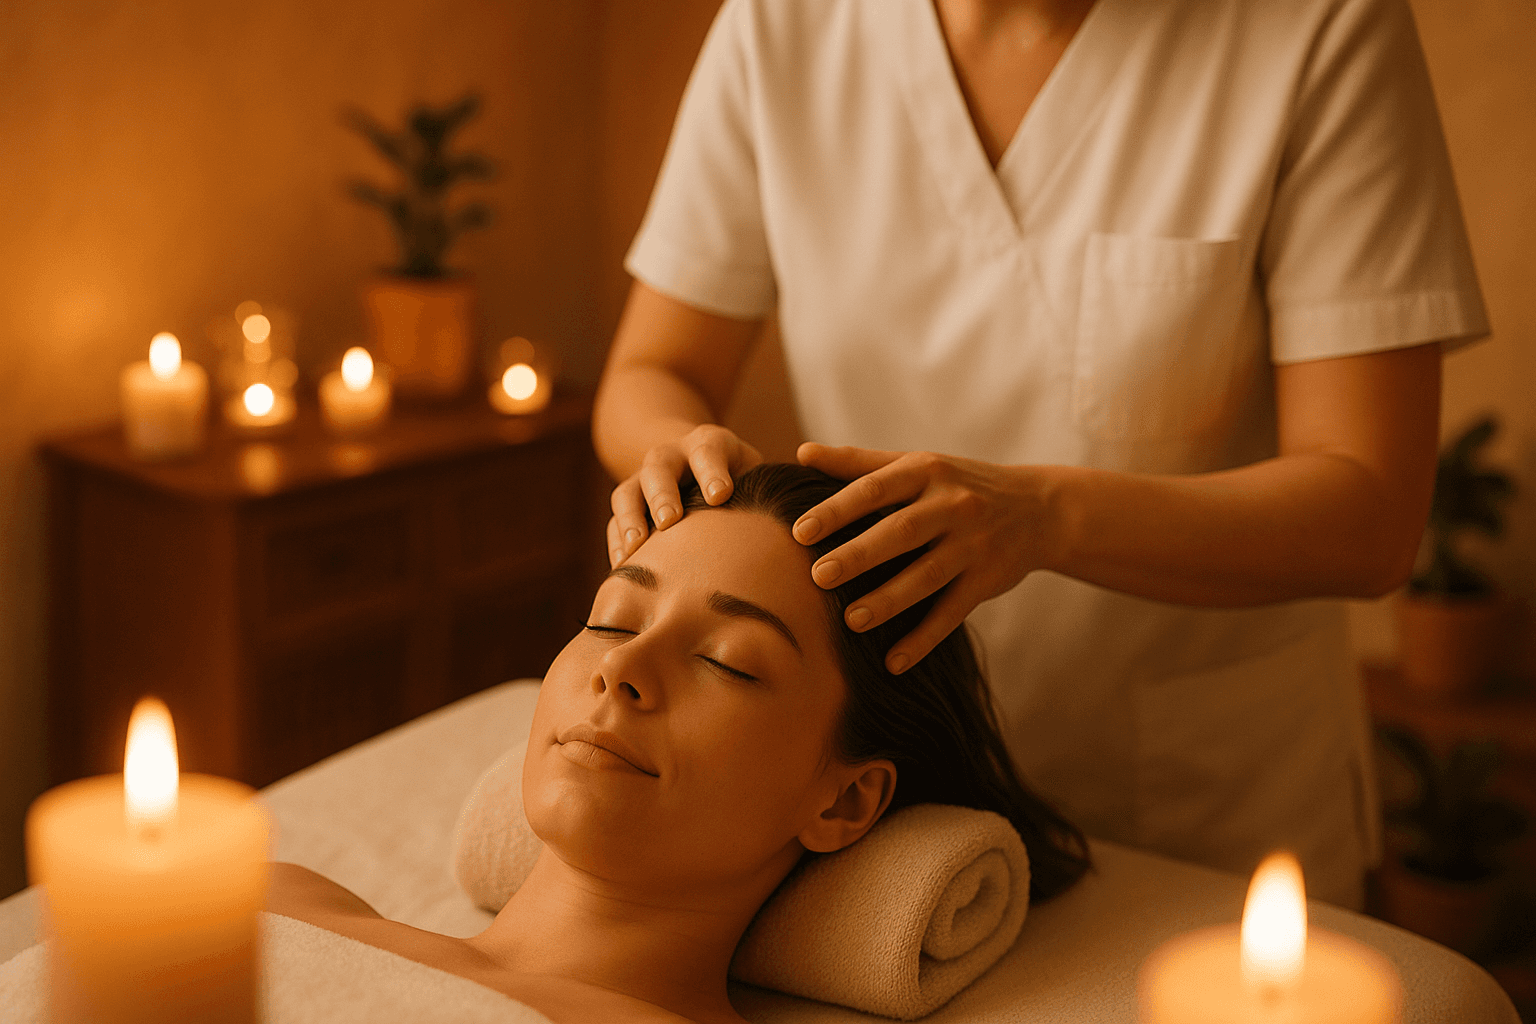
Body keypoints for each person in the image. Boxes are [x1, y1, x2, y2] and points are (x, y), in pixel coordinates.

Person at [590, 0, 1490, 908]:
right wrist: (688, 459)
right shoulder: (782, 27)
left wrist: (1044, 518)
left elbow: (1370, 514)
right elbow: (652, 371)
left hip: (1202, 807)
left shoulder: (1321, 25)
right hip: (893, 807)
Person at [268, 464, 1090, 1024]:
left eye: (726, 662)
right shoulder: (272, 903)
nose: (621, 667)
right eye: (611, 621)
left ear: (843, 800)